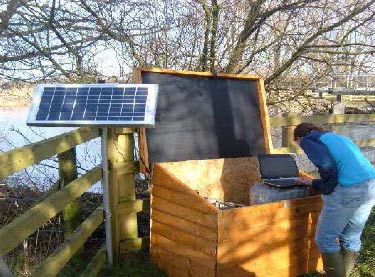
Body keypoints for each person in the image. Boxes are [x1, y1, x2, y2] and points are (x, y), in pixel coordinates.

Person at [293, 122, 375, 277]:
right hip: (370, 185)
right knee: (351, 236)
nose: (301, 148)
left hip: (349, 189)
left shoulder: (308, 140)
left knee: (325, 239)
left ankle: (336, 274)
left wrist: (327, 190)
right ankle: (340, 273)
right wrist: (312, 182)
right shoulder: (336, 138)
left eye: (298, 144)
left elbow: (326, 166)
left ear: (299, 137)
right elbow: (344, 166)